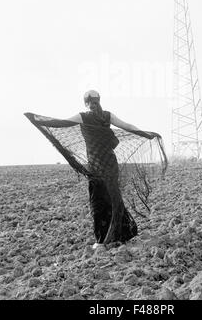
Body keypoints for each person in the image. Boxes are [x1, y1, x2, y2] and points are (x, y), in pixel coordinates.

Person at [66, 90, 157, 249]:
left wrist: (39, 121)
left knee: (98, 201)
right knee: (114, 198)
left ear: (85, 102)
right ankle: (122, 234)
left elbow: (62, 123)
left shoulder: (83, 116)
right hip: (110, 163)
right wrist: (144, 134)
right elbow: (127, 126)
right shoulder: (107, 116)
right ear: (99, 100)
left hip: (96, 166)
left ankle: (101, 241)